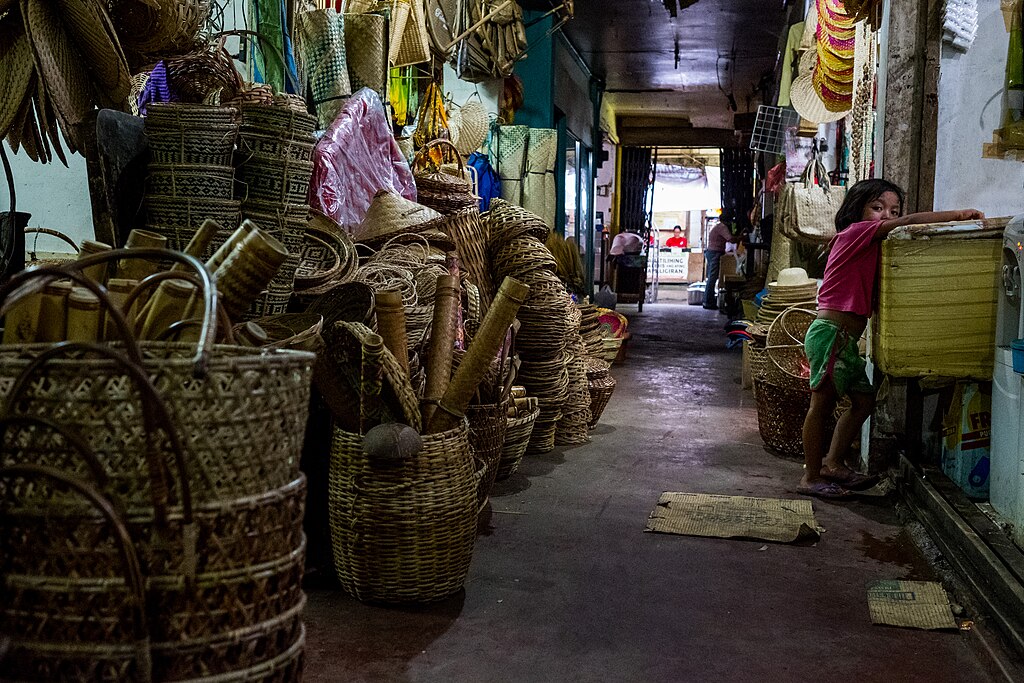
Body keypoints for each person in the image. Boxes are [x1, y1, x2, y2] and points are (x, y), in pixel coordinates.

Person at [797, 179, 985, 499]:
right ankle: (811, 477)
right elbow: (909, 223)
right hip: (830, 338)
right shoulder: (855, 232)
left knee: (865, 401)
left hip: (844, 342)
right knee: (822, 406)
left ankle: (833, 463)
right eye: (877, 208)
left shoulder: (869, 244)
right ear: (857, 210)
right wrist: (960, 214)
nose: (886, 216)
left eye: (893, 210)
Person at [703, 219, 739, 309]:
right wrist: (741, 237)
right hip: (714, 253)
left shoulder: (718, 226)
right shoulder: (722, 227)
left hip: (712, 252)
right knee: (712, 278)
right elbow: (731, 239)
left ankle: (708, 301)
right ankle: (708, 302)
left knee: (712, 278)